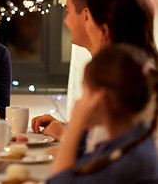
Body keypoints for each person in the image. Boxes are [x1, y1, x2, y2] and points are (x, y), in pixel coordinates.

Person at [32, 0, 157, 143]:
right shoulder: (116, 71)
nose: (65, 21)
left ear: (87, 16)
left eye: (68, 11)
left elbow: (107, 151)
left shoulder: (125, 80)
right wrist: (68, 128)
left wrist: (65, 135)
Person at [48, 44, 158, 183]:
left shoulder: (128, 163)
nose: (80, 101)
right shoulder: (124, 142)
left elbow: (58, 181)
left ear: (101, 99)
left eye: (85, 91)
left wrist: (76, 121)